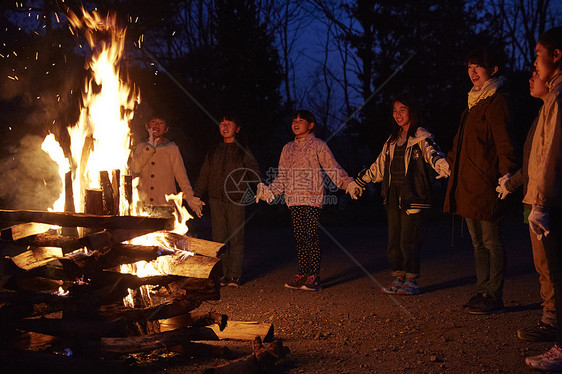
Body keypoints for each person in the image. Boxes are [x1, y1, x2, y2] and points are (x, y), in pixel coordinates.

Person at [443, 45, 517, 315]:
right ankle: (482, 290)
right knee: (477, 243)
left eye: (478, 66)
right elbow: (459, 145)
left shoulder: (498, 101)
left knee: (491, 241)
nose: (472, 72)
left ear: (493, 69)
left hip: (487, 185)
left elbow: (504, 142)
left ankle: (494, 294)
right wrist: (447, 163)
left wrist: (507, 174)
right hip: (467, 185)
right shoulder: (471, 105)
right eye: (469, 67)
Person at [352, 93, 450, 296]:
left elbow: (432, 152)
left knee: (409, 239)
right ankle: (398, 278)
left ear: (412, 111)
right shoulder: (392, 140)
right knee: (394, 239)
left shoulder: (421, 136)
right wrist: (359, 182)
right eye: (395, 111)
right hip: (392, 194)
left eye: (402, 110)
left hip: (412, 195)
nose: (398, 115)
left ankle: (411, 280)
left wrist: (441, 163)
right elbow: (378, 166)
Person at [256, 109, 357, 291]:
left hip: (312, 198)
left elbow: (332, 167)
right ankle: (302, 274)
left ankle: (313, 276)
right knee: (300, 237)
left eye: (301, 120)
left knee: (311, 236)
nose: (296, 123)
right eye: (294, 120)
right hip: (293, 199)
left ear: (310, 125)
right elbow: (283, 176)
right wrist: (270, 192)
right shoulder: (287, 148)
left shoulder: (318, 145)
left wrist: (347, 183)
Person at [496, 70, 557, 341]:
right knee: (542, 264)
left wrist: (540, 202)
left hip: (545, 200)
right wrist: (511, 184)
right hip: (533, 198)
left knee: (549, 264)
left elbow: (545, 162)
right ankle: (550, 315)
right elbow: (533, 163)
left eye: (536, 72)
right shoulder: (542, 114)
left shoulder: (553, 109)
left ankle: (552, 320)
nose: (531, 78)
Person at [523, 26, 562, 372]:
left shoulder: (559, 98)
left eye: (538, 54)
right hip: (548, 198)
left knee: (557, 270)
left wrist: (542, 202)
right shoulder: (553, 99)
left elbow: (551, 155)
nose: (535, 62)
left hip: (553, 200)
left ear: (557, 55)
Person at [194, 114, 261, 287]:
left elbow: (253, 169)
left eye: (229, 124)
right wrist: (196, 195)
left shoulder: (242, 149)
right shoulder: (214, 149)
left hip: (236, 198)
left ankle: (235, 275)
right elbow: (205, 173)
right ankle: (222, 274)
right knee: (219, 238)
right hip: (216, 199)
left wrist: (260, 186)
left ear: (237, 129)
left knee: (236, 237)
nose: (224, 127)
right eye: (222, 124)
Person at [130, 114, 204, 218]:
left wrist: (191, 199)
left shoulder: (171, 149)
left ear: (166, 129)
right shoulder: (141, 147)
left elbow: (181, 177)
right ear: (147, 126)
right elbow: (135, 168)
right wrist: (149, 147)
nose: (157, 125)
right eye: (153, 122)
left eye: (161, 123)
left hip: (165, 206)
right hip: (143, 205)